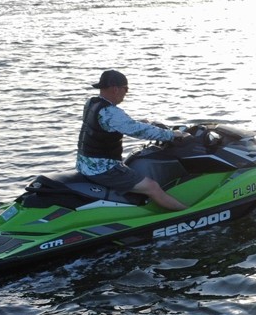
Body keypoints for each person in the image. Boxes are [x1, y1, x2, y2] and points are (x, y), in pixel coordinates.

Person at [77, 70, 189, 211]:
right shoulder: (110, 112)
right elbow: (139, 131)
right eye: (126, 89)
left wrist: (140, 123)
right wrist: (173, 135)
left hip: (85, 164)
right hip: (103, 169)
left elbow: (112, 126)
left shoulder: (92, 103)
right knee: (152, 187)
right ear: (116, 89)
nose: (126, 93)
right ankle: (187, 213)